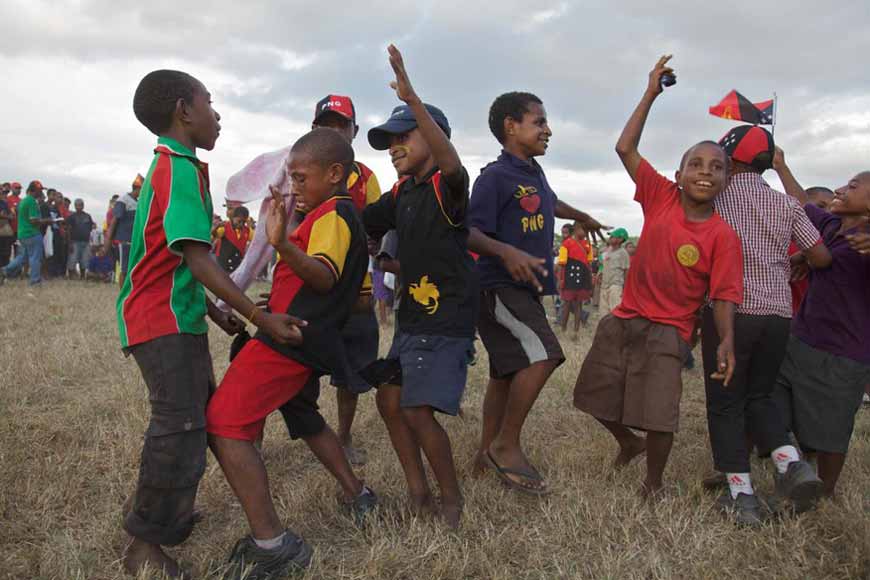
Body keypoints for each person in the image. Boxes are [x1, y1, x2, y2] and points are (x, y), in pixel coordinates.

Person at [118, 69, 302, 579]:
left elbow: (174, 260)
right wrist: (256, 314)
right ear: (184, 110)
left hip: (180, 318)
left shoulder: (183, 167)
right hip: (160, 322)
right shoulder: (173, 168)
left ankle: (165, 521)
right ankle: (144, 546)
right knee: (177, 427)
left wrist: (219, 314)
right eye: (210, 103)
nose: (216, 114)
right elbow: (199, 260)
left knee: (194, 420)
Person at [574, 55, 743, 501]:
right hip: (625, 317)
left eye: (716, 166)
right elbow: (625, 149)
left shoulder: (723, 235)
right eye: (697, 163)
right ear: (679, 174)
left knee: (659, 413)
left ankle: (653, 484)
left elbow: (724, 294)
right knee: (592, 395)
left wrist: (724, 341)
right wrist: (650, 92)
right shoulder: (660, 197)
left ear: (727, 180)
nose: (706, 171)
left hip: (671, 331)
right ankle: (627, 442)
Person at [207, 128, 372, 577]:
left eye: (301, 178)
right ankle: (358, 494)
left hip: (288, 344)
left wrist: (280, 244)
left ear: (335, 174)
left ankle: (273, 543)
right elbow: (329, 287)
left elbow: (323, 276)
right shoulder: (328, 215)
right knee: (306, 418)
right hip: (302, 335)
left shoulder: (335, 214)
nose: (293, 188)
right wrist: (282, 300)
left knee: (224, 423)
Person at [466, 90, 606, 495]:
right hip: (498, 286)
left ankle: (482, 455)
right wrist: (506, 251)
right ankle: (506, 445)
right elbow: (470, 232)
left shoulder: (532, 172)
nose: (548, 130)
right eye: (539, 122)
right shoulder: (494, 177)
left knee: (505, 373)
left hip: (524, 290)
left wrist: (578, 214)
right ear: (512, 126)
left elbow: (547, 201)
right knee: (546, 354)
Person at [362, 45, 476, 528]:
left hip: (446, 319)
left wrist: (413, 99)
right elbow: (360, 218)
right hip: (412, 317)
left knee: (417, 410)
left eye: (404, 134)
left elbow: (451, 166)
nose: (393, 146)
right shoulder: (402, 191)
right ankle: (417, 490)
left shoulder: (445, 187)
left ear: (434, 136)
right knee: (389, 400)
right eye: (389, 139)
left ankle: (451, 502)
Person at [701, 123, 831, 522]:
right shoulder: (787, 205)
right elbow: (822, 258)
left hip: (731, 313)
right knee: (761, 396)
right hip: (777, 315)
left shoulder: (717, 197)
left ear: (731, 157)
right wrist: (796, 259)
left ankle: (742, 497)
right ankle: (790, 463)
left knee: (726, 404)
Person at [771, 149, 870, 498]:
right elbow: (800, 203)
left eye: (853, 185)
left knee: (832, 429)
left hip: (844, 354)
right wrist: (781, 165)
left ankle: (824, 492)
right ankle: (795, 467)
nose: (841, 188)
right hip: (801, 337)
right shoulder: (830, 227)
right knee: (770, 399)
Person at [0, 181, 53, 285]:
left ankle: (4, 271)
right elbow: (33, 220)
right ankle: (35, 281)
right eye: (40, 190)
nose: (41, 193)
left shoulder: (23, 201)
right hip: (32, 233)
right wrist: (47, 220)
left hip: (22, 233)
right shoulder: (31, 201)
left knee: (22, 257)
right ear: (35, 190)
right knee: (35, 257)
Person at [558, 221, 593, 338]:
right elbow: (562, 264)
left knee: (579, 305)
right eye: (583, 230)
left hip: (582, 279)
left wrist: (590, 280)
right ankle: (563, 328)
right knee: (567, 304)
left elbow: (589, 263)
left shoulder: (588, 244)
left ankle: (576, 330)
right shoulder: (566, 244)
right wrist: (560, 279)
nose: (585, 233)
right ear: (576, 229)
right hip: (569, 278)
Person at [106, 175, 143, 283]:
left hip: (135, 241)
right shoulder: (123, 200)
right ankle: (123, 295)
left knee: (135, 270)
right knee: (124, 270)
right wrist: (108, 240)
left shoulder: (139, 202)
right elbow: (114, 221)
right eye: (142, 189)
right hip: (124, 241)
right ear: (137, 188)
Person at [598, 227, 631, 313]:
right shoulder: (607, 251)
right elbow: (602, 265)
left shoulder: (623, 253)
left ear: (620, 239)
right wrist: (599, 274)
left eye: (612, 237)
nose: (610, 238)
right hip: (604, 285)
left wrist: (625, 289)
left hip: (615, 286)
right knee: (603, 312)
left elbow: (626, 271)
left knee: (615, 311)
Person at [212, 205, 253, 272]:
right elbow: (214, 235)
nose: (241, 224)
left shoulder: (248, 231)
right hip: (222, 265)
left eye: (244, 222)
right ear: (233, 218)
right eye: (239, 221)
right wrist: (217, 226)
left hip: (237, 265)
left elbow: (256, 240)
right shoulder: (224, 227)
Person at [66, 199, 94, 279]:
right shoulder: (71, 217)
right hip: (74, 241)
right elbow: (68, 230)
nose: (79, 207)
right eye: (77, 205)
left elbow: (91, 227)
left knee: (84, 260)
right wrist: (70, 242)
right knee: (72, 259)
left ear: (83, 206)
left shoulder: (88, 216)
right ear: (75, 206)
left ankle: (82, 276)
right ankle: (70, 276)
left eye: (80, 205)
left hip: (86, 241)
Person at [0, 186, 13, 267]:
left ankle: (4, 272)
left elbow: (11, 214)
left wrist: (5, 216)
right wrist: (6, 216)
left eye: (4, 192)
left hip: (4, 231)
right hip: (3, 227)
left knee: (6, 252)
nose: (3, 194)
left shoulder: (4, 203)